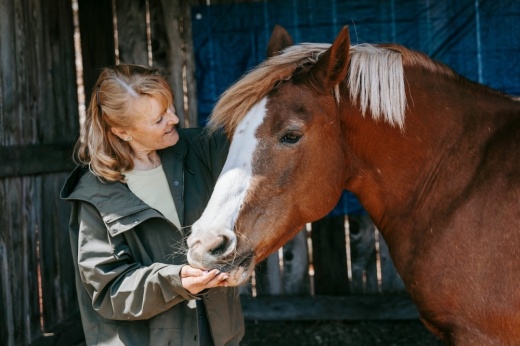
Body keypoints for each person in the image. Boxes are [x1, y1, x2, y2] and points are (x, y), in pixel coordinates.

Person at [60, 64, 244, 345]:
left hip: (217, 335)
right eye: (158, 119)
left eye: (170, 107)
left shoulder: (202, 149)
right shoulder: (94, 195)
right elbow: (109, 291)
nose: (174, 119)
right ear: (122, 132)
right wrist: (176, 280)